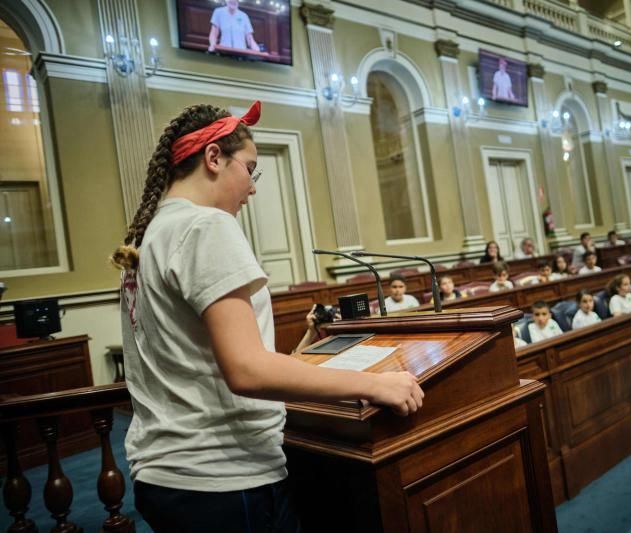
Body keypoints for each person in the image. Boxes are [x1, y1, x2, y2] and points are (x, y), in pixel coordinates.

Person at [110, 102, 423, 532]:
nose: (252, 188)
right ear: (214, 158)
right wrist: (376, 384)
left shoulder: (148, 236)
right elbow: (247, 369)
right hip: (222, 475)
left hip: (168, 473)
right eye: (250, 169)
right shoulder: (206, 227)